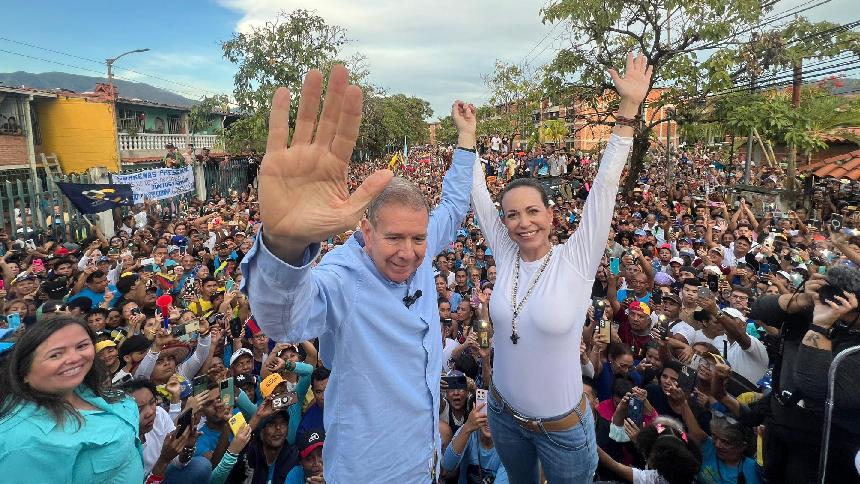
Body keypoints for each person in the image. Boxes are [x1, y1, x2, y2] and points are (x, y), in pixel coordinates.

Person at [240, 64, 477, 482]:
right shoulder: (343, 274)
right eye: (395, 239)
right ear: (365, 229)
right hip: (369, 471)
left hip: (426, 461)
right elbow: (284, 319)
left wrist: (465, 139)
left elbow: (455, 206)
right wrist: (285, 245)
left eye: (419, 239)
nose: (409, 254)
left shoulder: (419, 246)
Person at [470, 52, 652, 482]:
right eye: (511, 215)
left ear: (551, 216)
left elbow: (605, 186)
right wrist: (467, 139)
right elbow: (478, 194)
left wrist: (628, 111)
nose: (522, 223)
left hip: (562, 430)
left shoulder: (575, 258)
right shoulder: (505, 252)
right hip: (503, 414)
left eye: (533, 211)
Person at [0, 315, 144, 482]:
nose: (75, 358)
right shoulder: (19, 441)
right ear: (23, 372)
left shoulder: (86, 388)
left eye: (81, 346)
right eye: (55, 355)